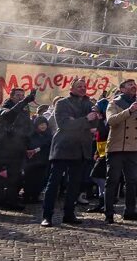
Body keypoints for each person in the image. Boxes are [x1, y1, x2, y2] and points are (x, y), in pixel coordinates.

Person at [40, 79, 98, 227]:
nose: (83, 89)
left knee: (74, 185)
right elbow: (65, 125)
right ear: (71, 88)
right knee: (54, 184)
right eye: (79, 86)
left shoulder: (90, 105)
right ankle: (47, 216)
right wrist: (85, 120)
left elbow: (94, 125)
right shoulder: (62, 103)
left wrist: (80, 122)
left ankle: (69, 214)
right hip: (63, 149)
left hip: (81, 150)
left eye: (85, 86)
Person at [105, 79, 137, 223]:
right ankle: (109, 213)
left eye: (134, 84)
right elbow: (111, 121)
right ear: (122, 88)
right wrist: (129, 110)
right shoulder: (114, 103)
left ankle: (130, 211)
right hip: (116, 148)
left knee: (132, 181)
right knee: (112, 181)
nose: (133, 86)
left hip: (132, 148)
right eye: (129, 84)